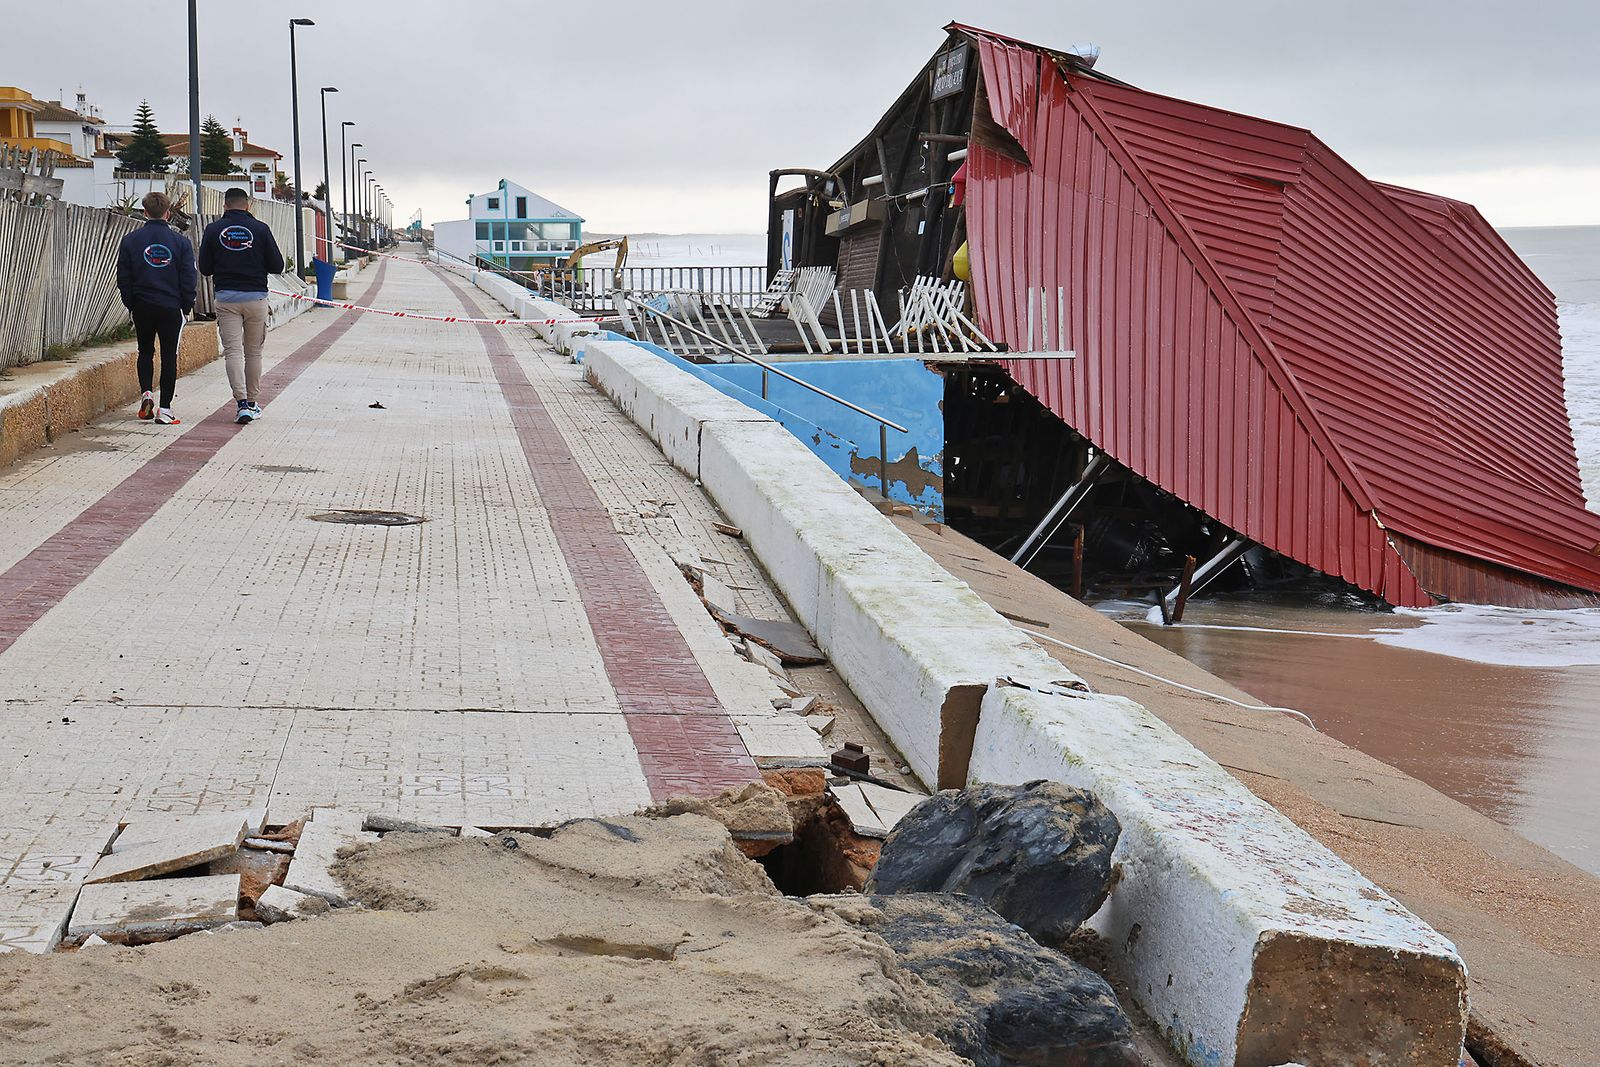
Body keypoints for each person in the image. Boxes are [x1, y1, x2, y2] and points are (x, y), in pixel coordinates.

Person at [199, 187, 285, 424]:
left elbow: (205, 268)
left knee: (233, 352)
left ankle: (241, 404)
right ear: (248, 205)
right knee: (254, 352)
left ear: (224, 205)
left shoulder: (213, 230)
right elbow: (277, 266)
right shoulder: (261, 229)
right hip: (256, 299)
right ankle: (253, 403)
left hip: (227, 300)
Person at [116, 191, 196, 425]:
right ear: (168, 213)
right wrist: (186, 305)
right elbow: (188, 278)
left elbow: (123, 277)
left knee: (145, 351)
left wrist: (131, 303)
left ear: (145, 212)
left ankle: (146, 394)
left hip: (142, 305)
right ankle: (166, 409)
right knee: (169, 356)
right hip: (171, 306)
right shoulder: (181, 242)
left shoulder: (130, 240)